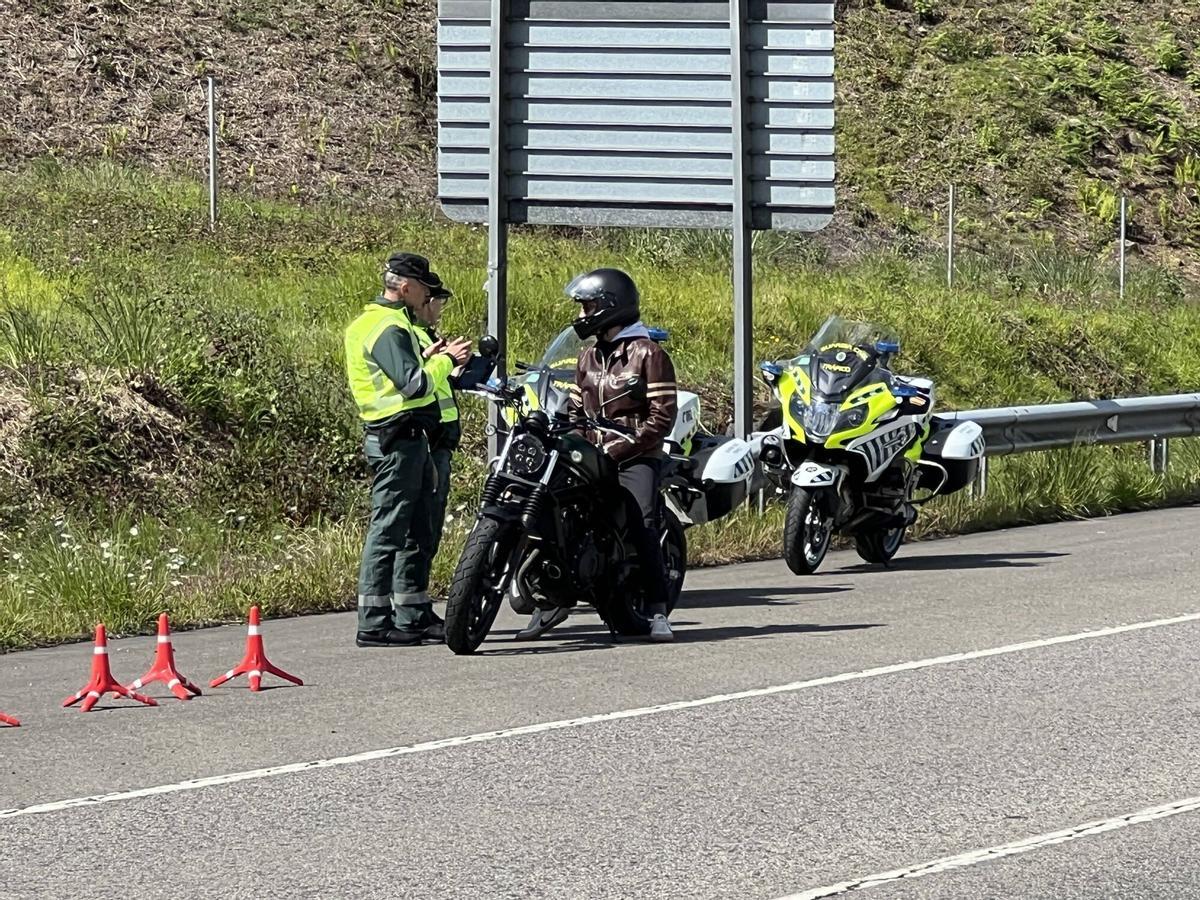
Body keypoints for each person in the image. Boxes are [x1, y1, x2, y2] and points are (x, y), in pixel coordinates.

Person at [517, 267, 679, 642]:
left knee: (643, 520)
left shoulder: (649, 354)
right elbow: (575, 409)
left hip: (637, 454)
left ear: (611, 307)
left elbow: (661, 417)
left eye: (587, 307)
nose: (581, 316)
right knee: (552, 506)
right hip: (590, 452)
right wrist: (574, 439)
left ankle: (657, 610)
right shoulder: (588, 357)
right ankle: (552, 595)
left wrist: (619, 447)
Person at [343, 252, 471, 647]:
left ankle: (411, 613)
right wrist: (445, 362)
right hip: (398, 438)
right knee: (389, 530)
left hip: (404, 437)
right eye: (425, 290)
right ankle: (374, 622)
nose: (427, 297)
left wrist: (429, 358)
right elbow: (413, 385)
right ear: (406, 287)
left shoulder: (380, 323)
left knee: (414, 528)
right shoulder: (389, 326)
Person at [408, 283, 460, 563]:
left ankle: (417, 589)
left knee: (432, 516)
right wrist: (447, 359)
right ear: (427, 302)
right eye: (439, 302)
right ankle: (413, 590)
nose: (440, 311)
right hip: (429, 438)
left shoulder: (427, 336)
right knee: (425, 519)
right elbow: (420, 381)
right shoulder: (413, 336)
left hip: (441, 439)